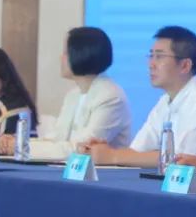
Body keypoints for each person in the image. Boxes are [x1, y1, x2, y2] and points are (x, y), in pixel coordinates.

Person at [79, 25, 196, 168]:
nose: (151, 64)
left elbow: (181, 160)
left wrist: (112, 156)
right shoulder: (165, 101)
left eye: (159, 56)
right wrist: (102, 151)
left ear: (185, 65)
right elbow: (137, 151)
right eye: (151, 55)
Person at [41, 26, 132, 158]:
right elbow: (56, 138)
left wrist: (24, 149)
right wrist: (19, 144)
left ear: (81, 54)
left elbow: (80, 148)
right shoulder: (73, 95)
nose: (60, 58)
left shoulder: (111, 96)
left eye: (66, 52)